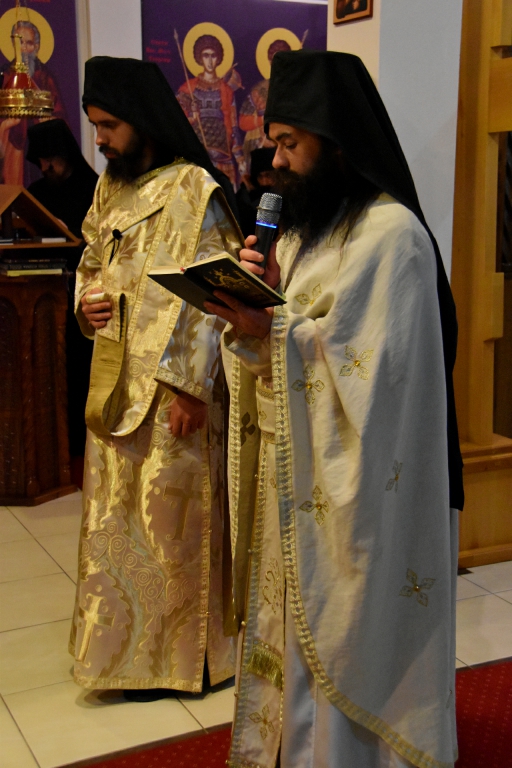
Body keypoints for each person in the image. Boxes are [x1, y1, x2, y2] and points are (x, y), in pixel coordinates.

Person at [206, 51, 464, 768]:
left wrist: (274, 330)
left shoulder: (394, 238)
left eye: (291, 144)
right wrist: (256, 301)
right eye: (274, 142)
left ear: (338, 142)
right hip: (302, 479)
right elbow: (293, 339)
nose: (277, 162)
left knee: (353, 624)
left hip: (369, 492)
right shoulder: (300, 232)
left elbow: (380, 379)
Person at [69, 56, 241, 700]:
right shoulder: (108, 190)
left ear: (141, 119)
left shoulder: (196, 190)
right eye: (94, 126)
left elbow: (215, 291)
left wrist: (192, 386)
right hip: (115, 380)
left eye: (109, 125)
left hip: (173, 391)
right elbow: (91, 262)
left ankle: (183, 659)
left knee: (172, 527)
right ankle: (117, 654)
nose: (101, 139)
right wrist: (85, 301)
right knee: (115, 524)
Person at [26, 118, 98, 462]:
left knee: (80, 374)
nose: (45, 167)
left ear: (65, 154)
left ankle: (81, 449)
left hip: (81, 301)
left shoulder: (94, 189)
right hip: (42, 298)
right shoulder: (36, 194)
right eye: (40, 160)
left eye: (50, 159)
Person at [0, 20, 65, 186]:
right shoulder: (5, 75)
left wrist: (47, 120)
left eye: (28, 43)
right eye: (20, 43)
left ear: (36, 46)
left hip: (41, 147)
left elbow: (59, 114)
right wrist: (6, 125)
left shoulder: (45, 77)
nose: (23, 49)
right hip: (14, 149)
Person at [177, 34, 245, 190]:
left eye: (213, 56)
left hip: (223, 158)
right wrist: (193, 117)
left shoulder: (226, 90)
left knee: (225, 200)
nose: (209, 60)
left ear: (218, 58)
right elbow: (177, 125)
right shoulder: (188, 88)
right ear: (199, 58)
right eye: (205, 55)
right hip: (196, 159)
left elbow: (233, 126)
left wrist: (240, 159)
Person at [239, 39, 291, 164]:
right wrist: (263, 120)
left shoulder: (297, 88)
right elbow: (243, 121)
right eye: (275, 61)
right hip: (263, 148)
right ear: (270, 62)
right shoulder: (259, 89)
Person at [235, 146, 276, 237]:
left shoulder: (283, 197)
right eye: (260, 176)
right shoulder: (244, 196)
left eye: (268, 175)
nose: (264, 181)